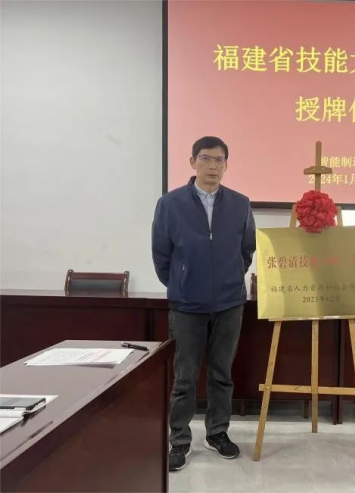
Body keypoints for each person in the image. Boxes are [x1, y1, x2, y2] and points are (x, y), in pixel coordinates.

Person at [152, 136, 256, 471]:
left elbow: (247, 250)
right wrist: (181, 283)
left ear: (226, 165)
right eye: (206, 158)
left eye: (219, 160)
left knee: (222, 373)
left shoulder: (240, 204)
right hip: (187, 305)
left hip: (229, 303)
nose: (212, 166)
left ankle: (217, 433)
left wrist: (229, 278)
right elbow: (161, 254)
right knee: (184, 377)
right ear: (192, 162)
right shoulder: (170, 204)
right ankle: (179, 440)